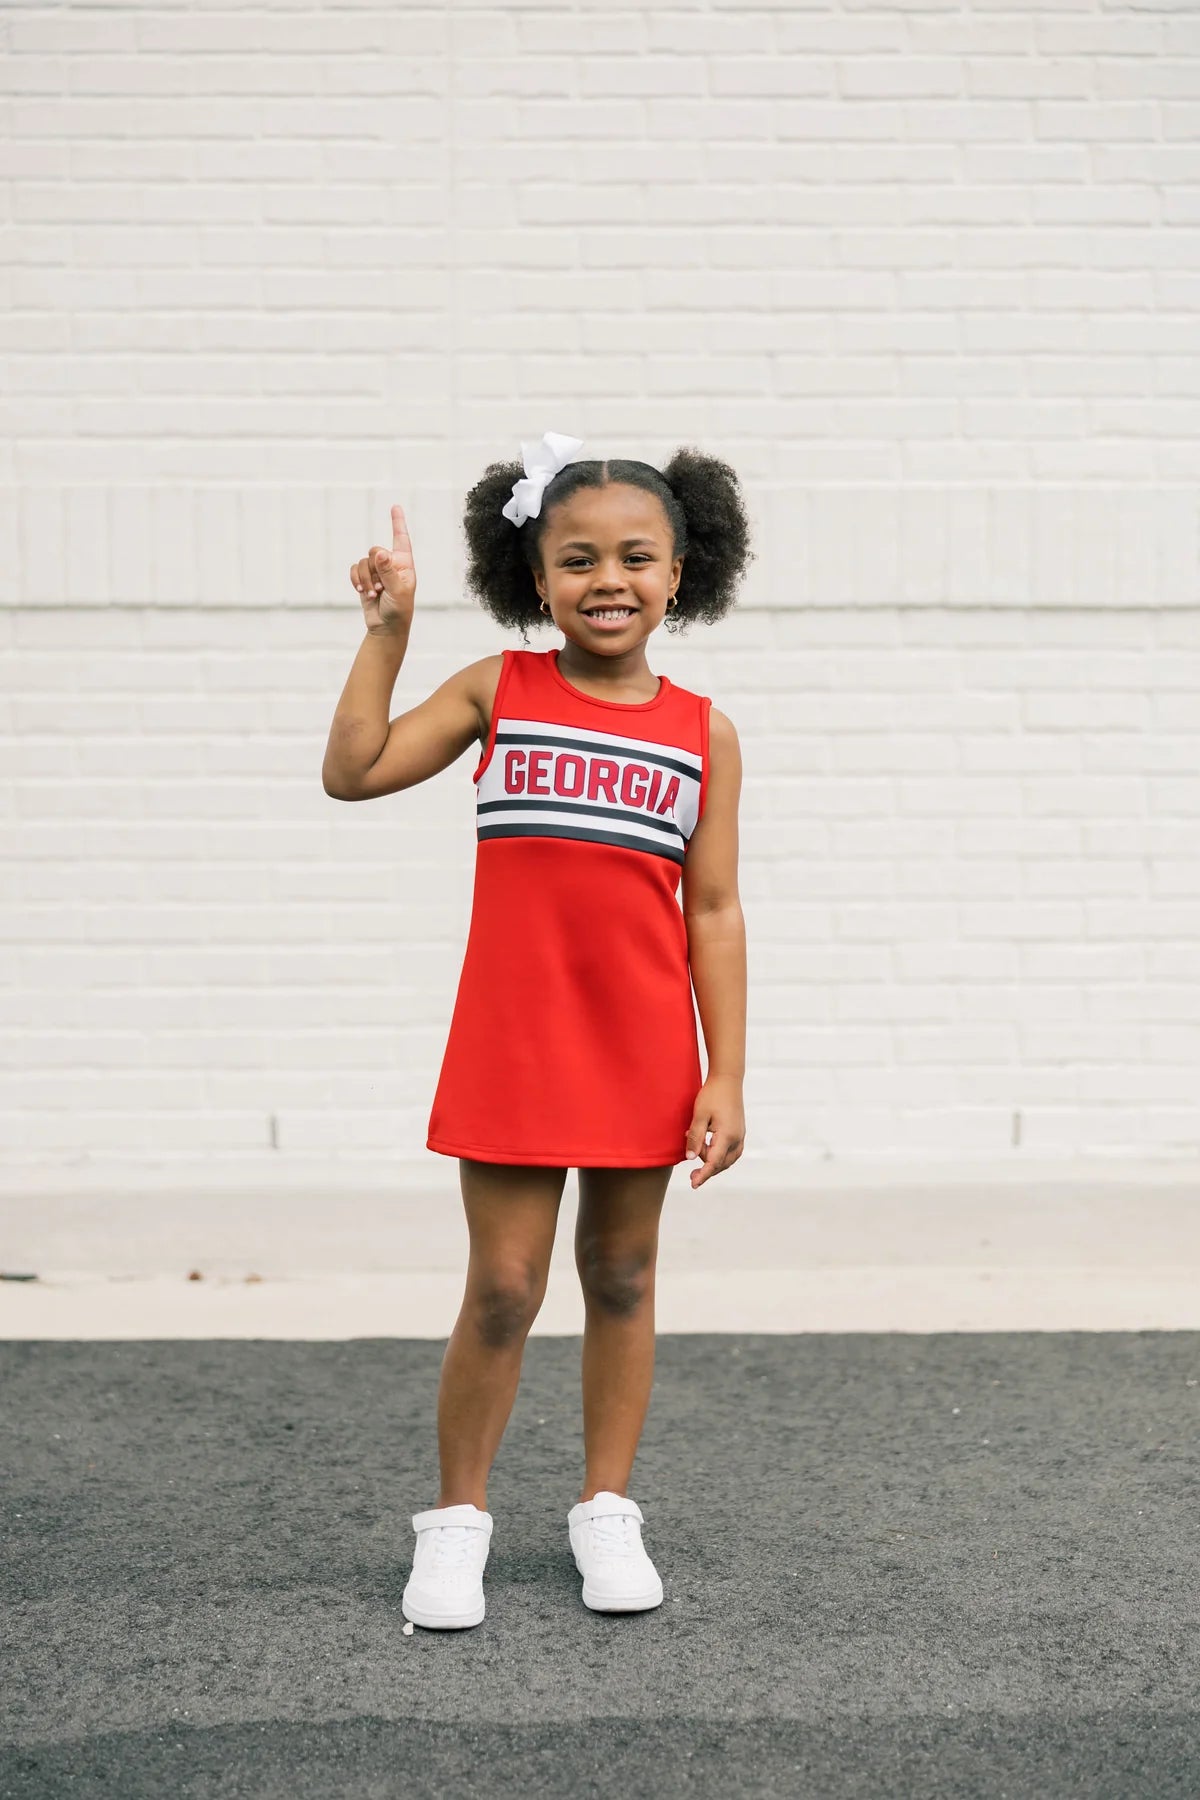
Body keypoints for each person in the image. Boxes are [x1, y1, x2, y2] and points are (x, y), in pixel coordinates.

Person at [322, 431, 751, 1630]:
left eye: (635, 557)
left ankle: (605, 1510)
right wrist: (387, 633)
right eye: (576, 559)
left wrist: (730, 1073)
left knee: (620, 1274)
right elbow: (352, 771)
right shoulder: (496, 691)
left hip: (642, 1045)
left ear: (682, 572)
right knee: (504, 1288)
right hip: (515, 1039)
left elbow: (713, 909)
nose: (606, 579)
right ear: (535, 576)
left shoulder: (703, 731)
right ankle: (455, 1526)